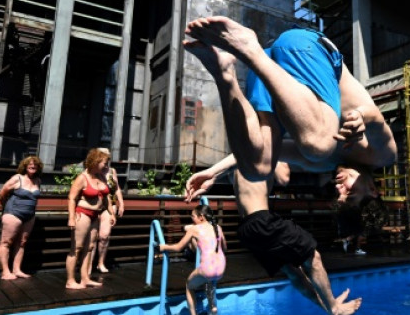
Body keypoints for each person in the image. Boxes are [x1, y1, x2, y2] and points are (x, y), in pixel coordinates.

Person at [183, 38, 361, 315]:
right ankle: (334, 306)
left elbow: (239, 159)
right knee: (311, 257)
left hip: (248, 229)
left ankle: (329, 306)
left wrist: (212, 173)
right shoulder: (259, 156)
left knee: (293, 273)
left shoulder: (243, 158)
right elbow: (285, 177)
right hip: (262, 221)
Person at [181, 18, 396, 183]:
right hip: (308, 48)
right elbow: (375, 117)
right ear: (372, 190)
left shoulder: (322, 164)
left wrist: (213, 172)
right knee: (319, 145)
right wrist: (360, 117)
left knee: (258, 169)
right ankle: (249, 50)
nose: (340, 188)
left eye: (338, 196)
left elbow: (277, 150)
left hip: (271, 69)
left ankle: (224, 74)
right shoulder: (382, 157)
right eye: (351, 193)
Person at [160, 204, 227, 315]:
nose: (192, 218)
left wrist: (164, 247)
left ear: (201, 217)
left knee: (189, 285)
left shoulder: (194, 229)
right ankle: (212, 308)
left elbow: (178, 247)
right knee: (209, 281)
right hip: (221, 267)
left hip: (207, 268)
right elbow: (224, 247)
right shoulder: (217, 228)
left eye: (193, 216)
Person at [66, 148, 112, 289]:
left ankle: (85, 278)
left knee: (90, 247)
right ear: (96, 161)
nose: (106, 166)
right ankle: (70, 280)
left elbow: (106, 197)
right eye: (104, 163)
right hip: (83, 214)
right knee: (77, 248)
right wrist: (71, 217)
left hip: (95, 215)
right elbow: (72, 198)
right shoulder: (82, 178)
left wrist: (111, 213)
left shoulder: (101, 177)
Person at [0, 155, 42, 280]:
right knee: (6, 242)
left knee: (22, 243)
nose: (33, 166)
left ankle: (17, 270)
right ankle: (5, 272)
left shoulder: (38, 180)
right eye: (30, 164)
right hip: (13, 214)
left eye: (36, 164)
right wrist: (7, 209)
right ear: (25, 166)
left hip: (29, 216)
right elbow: (1, 194)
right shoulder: (18, 178)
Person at [91, 147, 124, 274]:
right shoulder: (93, 171)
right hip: (95, 204)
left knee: (104, 236)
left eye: (108, 155)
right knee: (93, 237)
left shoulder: (112, 171)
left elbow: (116, 188)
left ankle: (101, 262)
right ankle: (89, 264)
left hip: (109, 205)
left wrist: (121, 203)